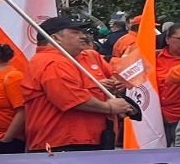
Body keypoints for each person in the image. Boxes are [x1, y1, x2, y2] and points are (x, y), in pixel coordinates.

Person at [22, 17, 134, 153]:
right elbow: (71, 99)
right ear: (55, 38)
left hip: (85, 140)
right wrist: (109, 107)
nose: (83, 36)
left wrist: (114, 88)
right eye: (75, 32)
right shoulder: (53, 62)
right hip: (64, 143)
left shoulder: (80, 58)